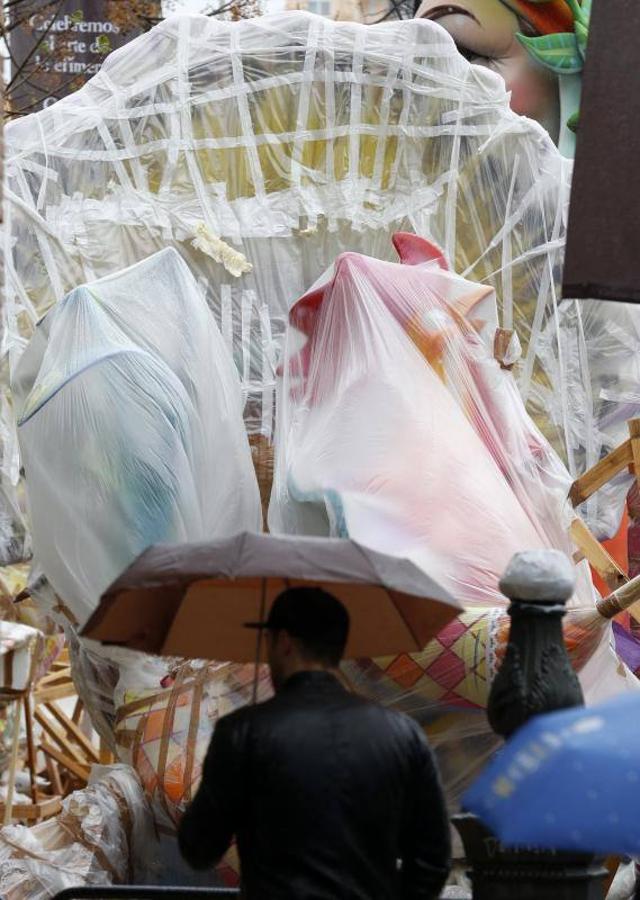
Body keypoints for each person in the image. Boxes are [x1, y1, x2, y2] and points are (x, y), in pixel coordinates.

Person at [178, 586, 452, 899]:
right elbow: (432, 861)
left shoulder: (242, 732)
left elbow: (199, 849)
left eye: (268, 642)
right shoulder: (403, 733)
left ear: (283, 642)